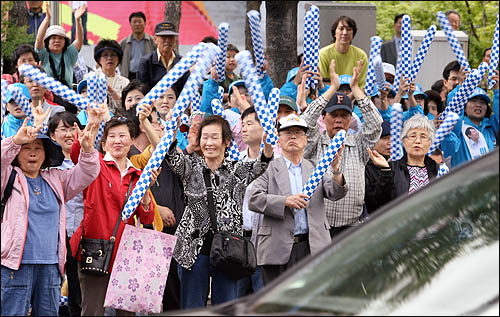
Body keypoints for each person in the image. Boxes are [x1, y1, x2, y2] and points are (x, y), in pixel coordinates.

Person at [165, 115, 273, 309]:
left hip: (229, 250)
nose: (209, 143)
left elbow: (261, 165)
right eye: (204, 137)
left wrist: (268, 146)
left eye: (214, 137)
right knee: (191, 308)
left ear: (226, 141)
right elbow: (172, 155)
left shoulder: (237, 169)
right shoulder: (191, 167)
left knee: (225, 308)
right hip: (192, 249)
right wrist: (167, 130)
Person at [1, 116, 100, 316]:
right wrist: (15, 141)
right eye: (26, 148)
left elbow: (88, 172)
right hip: (15, 265)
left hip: (50, 266)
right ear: (18, 153)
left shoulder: (55, 178)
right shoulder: (8, 177)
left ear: (45, 153)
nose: (32, 153)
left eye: (38, 148)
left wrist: (87, 150)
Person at [69, 113, 158, 316]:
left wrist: (145, 193)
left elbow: (147, 218)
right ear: (104, 142)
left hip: (127, 252)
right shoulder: (96, 163)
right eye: (112, 136)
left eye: (123, 136)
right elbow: (77, 155)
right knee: (92, 311)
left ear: (131, 141)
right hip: (94, 247)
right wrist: (87, 134)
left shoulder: (138, 175)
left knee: (126, 313)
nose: (117, 141)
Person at [248, 113, 347, 285]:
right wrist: (284, 201)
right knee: (278, 304)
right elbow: (253, 198)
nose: (293, 136)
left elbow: (335, 193)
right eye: (287, 132)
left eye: (298, 132)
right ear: (278, 140)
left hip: (312, 246)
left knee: (311, 301)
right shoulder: (269, 167)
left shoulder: (316, 167)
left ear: (306, 140)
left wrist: (336, 170)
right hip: (277, 249)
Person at [303, 59, 383, 239]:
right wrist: (332, 89)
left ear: (350, 118)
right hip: (318, 229)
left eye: (344, 115)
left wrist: (356, 89)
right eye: (334, 115)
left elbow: (376, 124)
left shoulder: (359, 145)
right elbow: (306, 122)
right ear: (324, 117)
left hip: (352, 229)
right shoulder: (313, 143)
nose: (339, 120)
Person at [47, 111, 84, 317]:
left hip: (82, 235)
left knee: (78, 291)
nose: (69, 134)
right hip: (55, 235)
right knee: (52, 286)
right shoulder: (48, 165)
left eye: (73, 128)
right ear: (52, 135)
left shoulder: (87, 161)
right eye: (63, 129)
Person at [367, 114, 438, 200]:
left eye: (423, 137)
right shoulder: (392, 168)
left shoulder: (436, 168)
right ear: (404, 141)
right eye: (412, 136)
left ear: (430, 142)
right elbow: (378, 202)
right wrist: (385, 172)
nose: (417, 141)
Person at [237, 106, 265, 297]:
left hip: (265, 243)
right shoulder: (236, 162)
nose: (243, 129)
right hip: (239, 244)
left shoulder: (277, 162)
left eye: (249, 123)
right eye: (242, 124)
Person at [441, 82, 499, 167]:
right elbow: (454, 108)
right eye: (473, 101)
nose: (478, 105)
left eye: (482, 102)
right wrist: (462, 87)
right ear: (464, 107)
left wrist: (497, 90)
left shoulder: (492, 127)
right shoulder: (458, 129)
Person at [35, 3, 86, 88]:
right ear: (47, 41)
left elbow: (79, 40)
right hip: (48, 96)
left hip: (66, 97)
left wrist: (77, 21)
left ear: (65, 41)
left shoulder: (69, 54)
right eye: (53, 38)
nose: (57, 41)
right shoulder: (44, 54)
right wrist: (47, 19)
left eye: (60, 38)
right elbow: (39, 40)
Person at [137, 21, 189, 94]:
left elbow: (186, 88)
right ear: (155, 39)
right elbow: (142, 89)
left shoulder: (182, 62)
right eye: (163, 37)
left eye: (171, 37)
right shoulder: (146, 62)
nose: (167, 40)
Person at [318, 16, 368, 88]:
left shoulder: (361, 55)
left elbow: (363, 86)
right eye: (341, 29)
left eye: (349, 29)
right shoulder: (323, 54)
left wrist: (348, 98)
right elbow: (322, 84)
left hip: (354, 96)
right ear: (334, 33)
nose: (345, 33)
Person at [86, 39, 130, 114]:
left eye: (113, 55)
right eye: (105, 55)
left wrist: (111, 92)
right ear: (99, 60)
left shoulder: (125, 82)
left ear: (118, 60)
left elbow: (125, 107)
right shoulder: (89, 78)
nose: (109, 58)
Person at [364, 120, 391, 215]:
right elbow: (372, 199)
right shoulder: (365, 166)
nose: (390, 142)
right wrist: (386, 171)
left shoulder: (397, 163)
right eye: (385, 138)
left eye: (392, 138)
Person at [119, 11, 157, 80]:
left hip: (147, 76)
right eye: (134, 22)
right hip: (129, 76)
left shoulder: (152, 41)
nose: (137, 24)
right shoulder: (123, 43)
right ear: (130, 24)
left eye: (140, 22)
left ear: (145, 23)